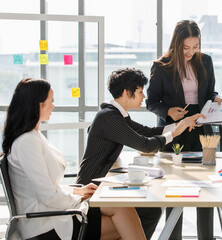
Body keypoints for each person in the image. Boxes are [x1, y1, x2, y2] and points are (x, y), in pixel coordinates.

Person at [3, 78, 146, 240]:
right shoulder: (27, 143)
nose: (53, 106)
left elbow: (47, 187)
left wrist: (76, 191)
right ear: (38, 105)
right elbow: (48, 195)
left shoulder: (33, 137)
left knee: (123, 209)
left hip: (52, 212)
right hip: (45, 224)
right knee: (123, 223)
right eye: (51, 101)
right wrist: (78, 197)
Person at [76, 68, 203, 239]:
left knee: (150, 209)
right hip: (91, 191)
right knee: (148, 209)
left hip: (99, 185)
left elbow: (149, 132)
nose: (144, 97)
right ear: (126, 92)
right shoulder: (110, 118)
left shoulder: (117, 116)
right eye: (140, 91)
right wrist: (174, 133)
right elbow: (146, 145)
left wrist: (180, 125)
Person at [146, 20, 220, 239]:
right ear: (176, 44)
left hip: (200, 126)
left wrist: (215, 99)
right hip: (175, 128)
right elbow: (151, 102)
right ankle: (173, 237)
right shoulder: (161, 65)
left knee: (206, 186)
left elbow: (210, 91)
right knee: (175, 185)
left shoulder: (205, 61)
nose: (191, 52)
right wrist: (168, 111)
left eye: (195, 47)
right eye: (186, 48)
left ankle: (205, 237)